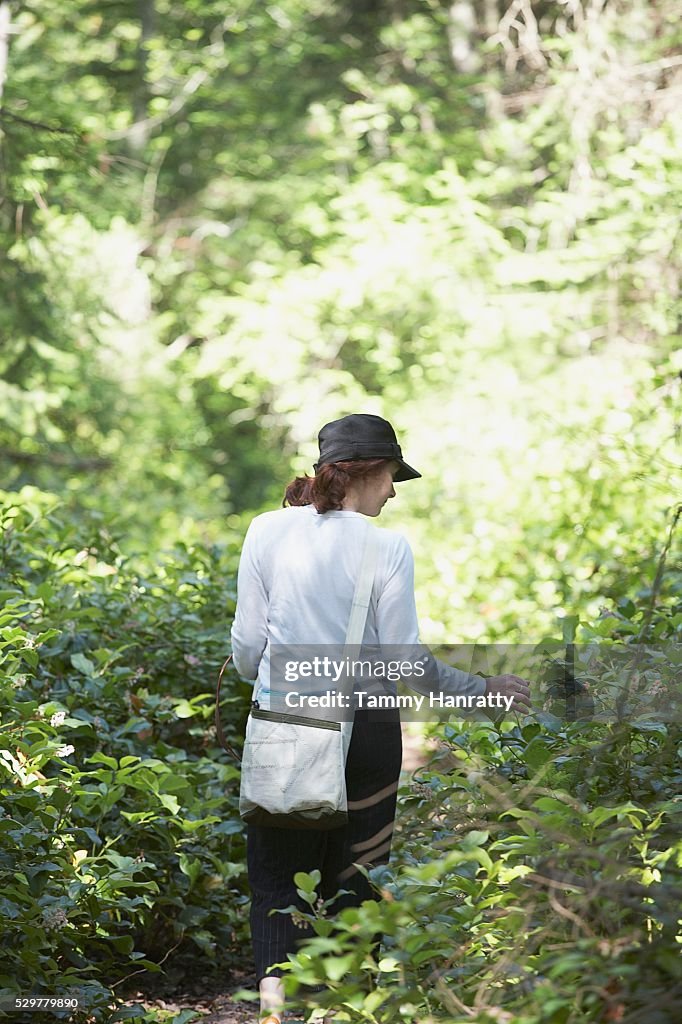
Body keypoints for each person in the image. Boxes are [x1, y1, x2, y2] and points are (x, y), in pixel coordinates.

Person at [230, 413, 531, 1024]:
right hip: (365, 730)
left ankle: (272, 1010)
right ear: (368, 474)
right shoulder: (387, 547)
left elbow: (245, 654)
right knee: (355, 882)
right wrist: (484, 689)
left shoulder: (265, 531)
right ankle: (347, 1009)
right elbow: (406, 666)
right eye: (393, 476)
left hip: (284, 726)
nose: (394, 491)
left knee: (274, 880)